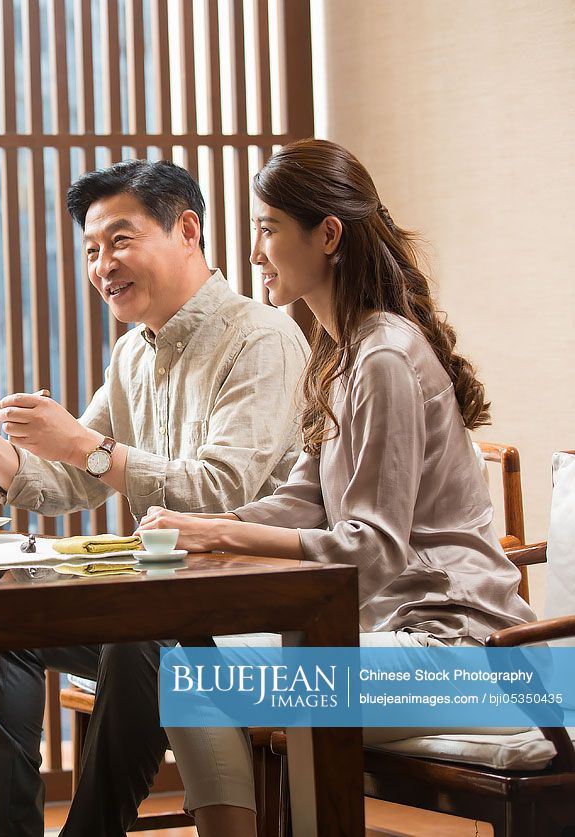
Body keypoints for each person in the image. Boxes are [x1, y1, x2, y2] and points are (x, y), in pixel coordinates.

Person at [84, 138, 537, 836]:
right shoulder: (340, 355)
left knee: (174, 659)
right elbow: (301, 498)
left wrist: (222, 531)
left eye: (267, 229)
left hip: (463, 658)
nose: (255, 251)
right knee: (172, 649)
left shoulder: (382, 354)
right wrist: (197, 527)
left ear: (326, 235)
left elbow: (372, 549)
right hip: (388, 641)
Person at [0, 159, 311, 836]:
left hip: (256, 603)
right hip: (167, 602)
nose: (102, 265)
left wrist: (84, 447)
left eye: (119, 241)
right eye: (91, 250)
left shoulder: (260, 338)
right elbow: (71, 480)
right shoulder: (132, 353)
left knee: (142, 634)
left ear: (187, 230)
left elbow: (220, 491)